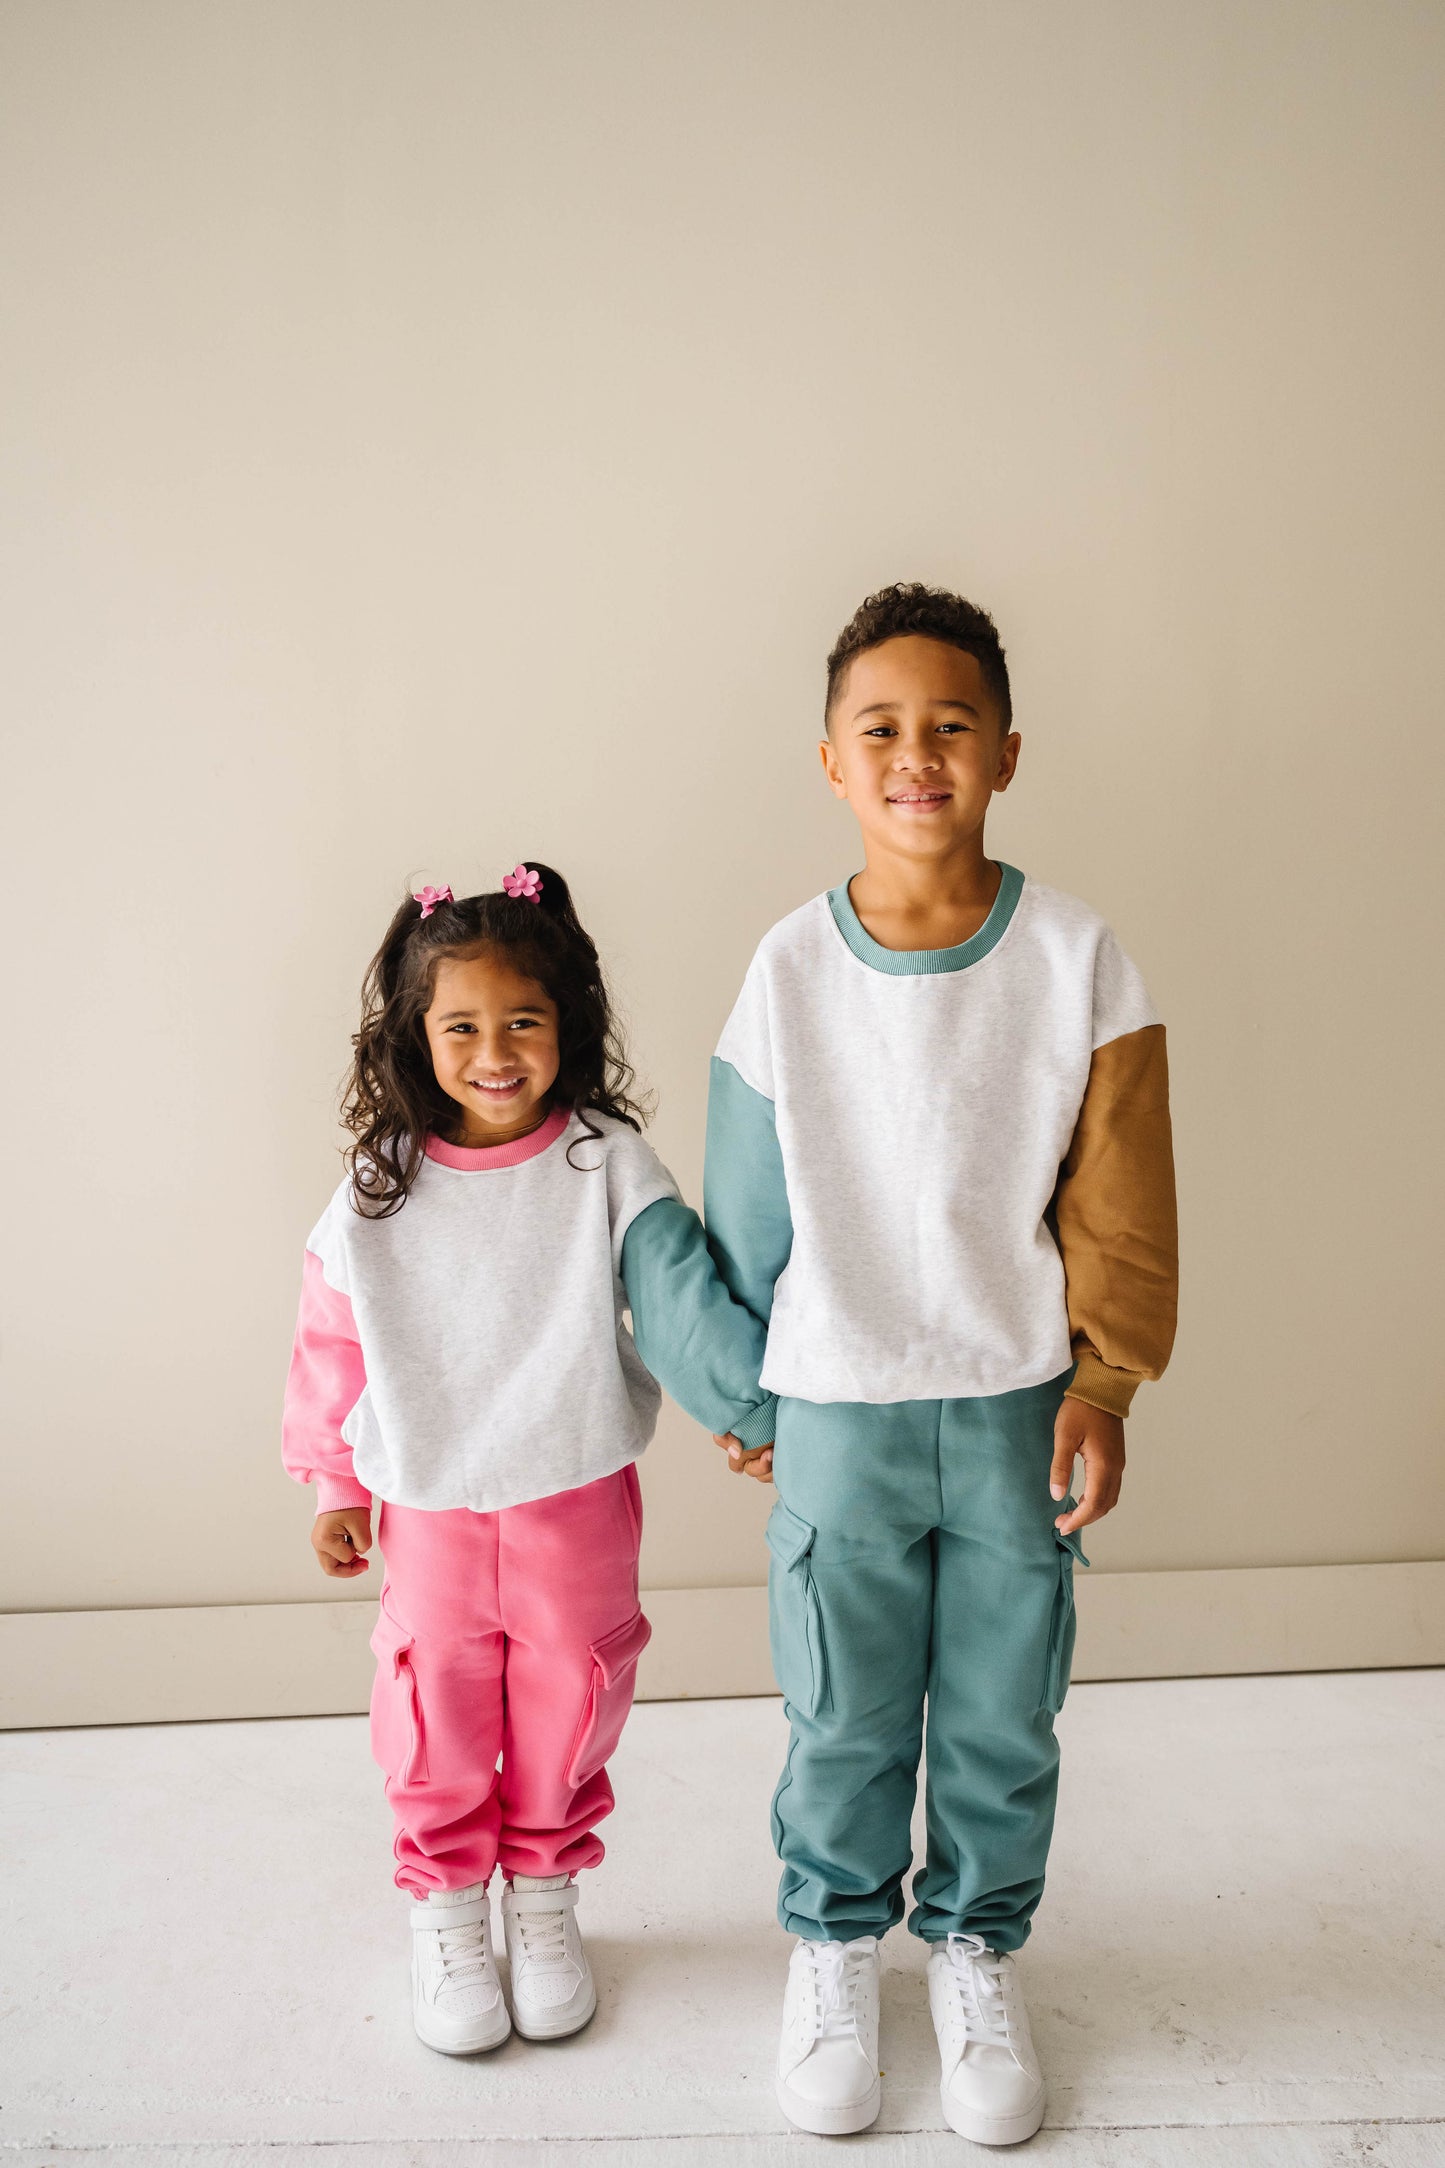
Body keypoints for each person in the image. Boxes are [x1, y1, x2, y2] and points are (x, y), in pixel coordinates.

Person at [705, 586, 1178, 2145]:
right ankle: (837, 1948)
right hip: (837, 1407)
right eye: (882, 729)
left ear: (1008, 753)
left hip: (1010, 1409)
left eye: (951, 726)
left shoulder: (1077, 958)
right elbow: (749, 1204)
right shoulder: (787, 971)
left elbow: (1118, 1196)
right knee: (842, 1710)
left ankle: (977, 1946)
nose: (919, 756)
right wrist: (753, 1395)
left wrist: (1104, 1382)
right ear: (829, 763)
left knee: (996, 1708)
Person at [282, 864, 775, 2055]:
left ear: (567, 1024)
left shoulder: (604, 1160)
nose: (494, 1050)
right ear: (414, 1033)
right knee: (433, 1700)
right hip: (434, 1507)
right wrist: (334, 1481)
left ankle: (546, 1890)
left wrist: (749, 1409)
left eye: (523, 1020)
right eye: (460, 1024)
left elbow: (674, 1295)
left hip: (575, 1493)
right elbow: (330, 1341)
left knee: (574, 1691)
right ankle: (449, 1904)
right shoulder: (378, 1189)